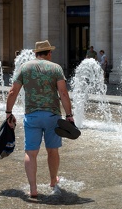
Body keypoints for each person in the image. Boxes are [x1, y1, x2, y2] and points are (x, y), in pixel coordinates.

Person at [5, 40, 74, 198]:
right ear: (49, 53)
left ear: (35, 53)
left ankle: (33, 188)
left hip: (32, 115)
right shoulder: (55, 68)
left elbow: (12, 92)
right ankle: (52, 181)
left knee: (31, 152)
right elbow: (63, 93)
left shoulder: (24, 67)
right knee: (52, 150)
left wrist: (8, 112)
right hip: (52, 115)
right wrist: (69, 115)